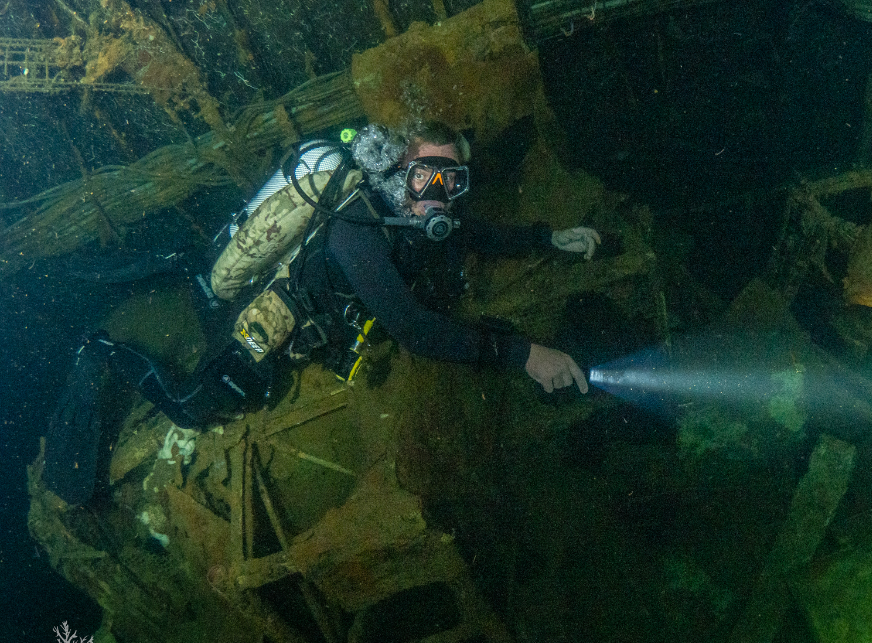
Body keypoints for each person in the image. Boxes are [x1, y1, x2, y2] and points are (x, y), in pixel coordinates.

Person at [42, 120, 601, 505]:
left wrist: (547, 239)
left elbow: (470, 232)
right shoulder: (359, 225)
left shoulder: (410, 214)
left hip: (316, 320)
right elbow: (412, 327)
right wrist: (521, 352)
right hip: (257, 314)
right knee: (194, 410)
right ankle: (105, 348)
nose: (438, 195)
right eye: (426, 177)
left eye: (451, 182)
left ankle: (177, 270)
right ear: (399, 169)